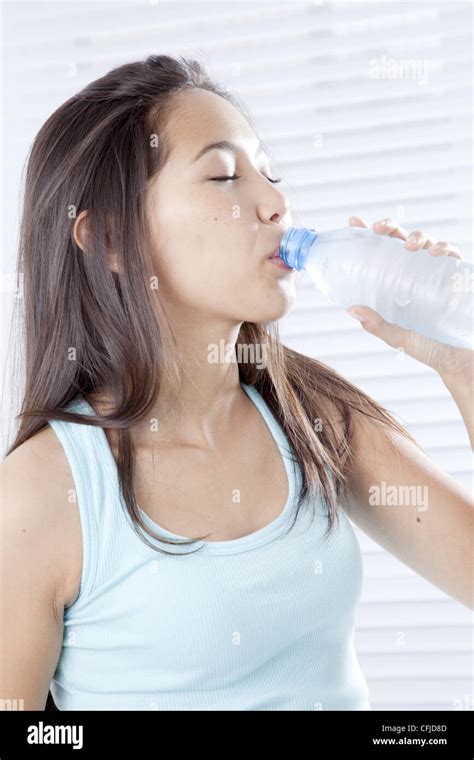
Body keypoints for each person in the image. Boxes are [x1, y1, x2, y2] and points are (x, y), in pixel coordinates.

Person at [1, 55, 472, 712]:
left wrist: (459, 362)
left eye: (269, 173)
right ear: (110, 236)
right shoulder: (42, 494)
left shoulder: (315, 418)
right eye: (224, 176)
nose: (276, 203)